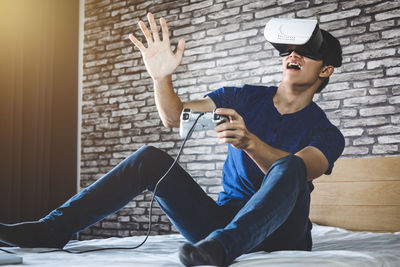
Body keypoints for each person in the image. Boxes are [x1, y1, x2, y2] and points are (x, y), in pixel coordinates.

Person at [0, 13, 344, 267]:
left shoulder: (327, 133)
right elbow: (173, 116)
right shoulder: (243, 97)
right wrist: (161, 78)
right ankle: (51, 230)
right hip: (217, 223)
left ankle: (222, 249)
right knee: (150, 158)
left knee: (291, 166)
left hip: (282, 233)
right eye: (288, 50)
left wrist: (250, 142)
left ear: (325, 70)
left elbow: (299, 171)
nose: (292, 55)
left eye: (306, 52)